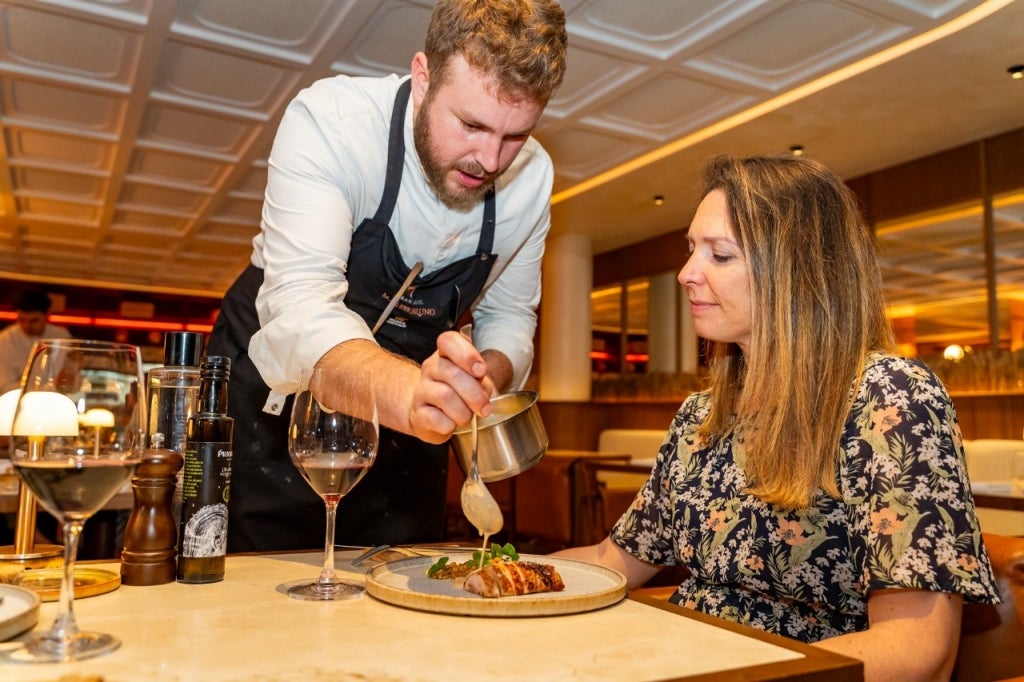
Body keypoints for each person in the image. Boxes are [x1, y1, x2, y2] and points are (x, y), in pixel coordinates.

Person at [556, 154, 1001, 680]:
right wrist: (501, 571)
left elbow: (916, 647)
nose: (686, 274)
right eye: (691, 249)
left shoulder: (889, 397)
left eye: (720, 254)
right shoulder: (701, 415)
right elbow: (612, 560)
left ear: (799, 272)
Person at [207, 0, 567, 552]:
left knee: (398, 588)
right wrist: (411, 394)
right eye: (471, 125)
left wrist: (477, 376)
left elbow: (511, 316)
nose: (491, 160)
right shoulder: (333, 122)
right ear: (423, 78)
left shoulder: (533, 177)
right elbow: (303, 308)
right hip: (275, 419)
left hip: (409, 434)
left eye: (515, 135)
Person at [0, 288, 72, 393]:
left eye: (34, 320)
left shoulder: (61, 336)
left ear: (47, 314)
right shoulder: (5, 340)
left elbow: (70, 373)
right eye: (22, 320)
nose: (27, 326)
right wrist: (45, 389)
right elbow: (5, 386)